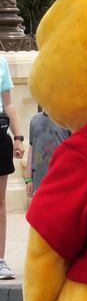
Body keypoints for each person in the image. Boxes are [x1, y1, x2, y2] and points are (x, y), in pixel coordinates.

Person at [0, 56, 24, 279]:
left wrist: (18, 137)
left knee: (0, 201)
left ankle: (0, 260)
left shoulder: (1, 62)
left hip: (0, 135)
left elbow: (8, 104)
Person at [24, 111, 70, 197]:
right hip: (39, 180)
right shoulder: (35, 120)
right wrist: (29, 179)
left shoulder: (66, 120)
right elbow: (31, 149)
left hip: (61, 179)